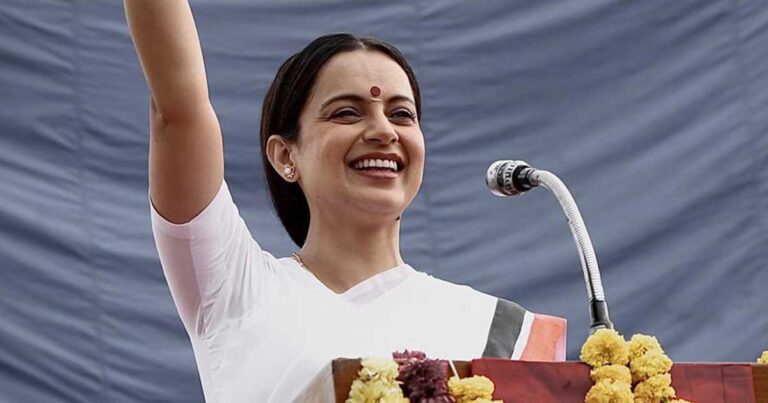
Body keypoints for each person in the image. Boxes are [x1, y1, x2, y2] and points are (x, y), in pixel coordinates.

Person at [125, 1, 566, 401]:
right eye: (347, 113)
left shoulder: (499, 327)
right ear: (285, 156)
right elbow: (178, 112)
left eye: (401, 114)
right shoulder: (236, 291)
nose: (384, 131)